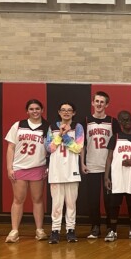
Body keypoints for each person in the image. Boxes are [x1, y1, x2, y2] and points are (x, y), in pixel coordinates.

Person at [4, 99, 50, 243]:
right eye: (31, 109)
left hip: (38, 166)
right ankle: (14, 230)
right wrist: (9, 167)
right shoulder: (18, 125)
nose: (35, 111)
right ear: (27, 111)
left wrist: (48, 166)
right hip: (19, 167)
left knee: (37, 199)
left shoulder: (47, 127)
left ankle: (39, 229)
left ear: (42, 110)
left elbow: (51, 149)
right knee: (18, 199)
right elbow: (11, 147)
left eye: (37, 108)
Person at [81, 91, 120, 240]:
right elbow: (81, 144)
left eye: (102, 102)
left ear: (107, 104)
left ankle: (110, 226)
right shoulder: (85, 121)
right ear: (92, 103)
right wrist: (83, 163)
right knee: (92, 199)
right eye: (96, 101)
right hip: (91, 165)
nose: (99, 104)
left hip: (107, 167)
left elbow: (118, 143)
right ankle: (95, 226)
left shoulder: (112, 121)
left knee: (109, 199)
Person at [103, 111, 131, 242]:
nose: (126, 122)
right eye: (123, 120)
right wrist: (106, 177)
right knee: (114, 204)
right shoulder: (115, 137)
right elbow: (109, 158)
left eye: (128, 120)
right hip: (117, 176)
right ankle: (113, 231)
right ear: (119, 122)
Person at [46, 102, 85, 244]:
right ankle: (55, 230)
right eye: (63, 110)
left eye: (69, 110)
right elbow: (49, 148)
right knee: (56, 204)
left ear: (73, 113)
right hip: (56, 171)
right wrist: (59, 135)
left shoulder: (78, 127)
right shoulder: (52, 127)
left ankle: (70, 230)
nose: (66, 112)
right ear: (59, 112)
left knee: (71, 203)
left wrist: (66, 137)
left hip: (71, 171)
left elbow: (78, 148)